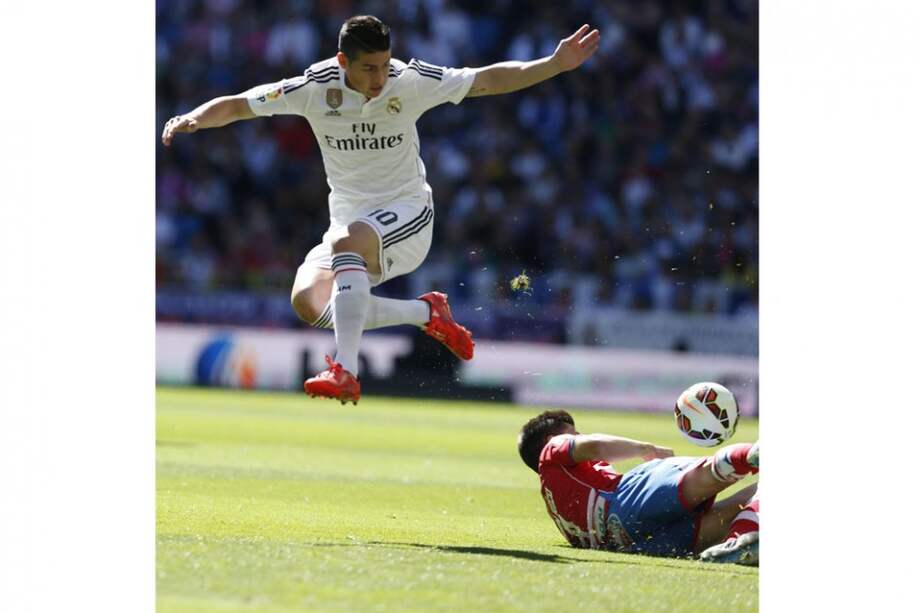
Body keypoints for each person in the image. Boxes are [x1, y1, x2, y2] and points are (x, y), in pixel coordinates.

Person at [161, 15, 601, 404]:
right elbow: (241, 104)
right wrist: (194, 117)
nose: (379, 77)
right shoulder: (315, 89)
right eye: (369, 68)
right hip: (348, 226)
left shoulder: (409, 80)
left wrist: (553, 65)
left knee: (348, 241)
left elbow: (485, 79)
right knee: (308, 301)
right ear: (342, 62)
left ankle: (345, 370)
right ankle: (425, 313)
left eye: (384, 64)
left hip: (408, 214)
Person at [517, 410, 759, 565]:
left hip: (632, 544)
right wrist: (646, 449)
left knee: (727, 514)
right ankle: (753, 453)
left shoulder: (554, 503)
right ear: (550, 440)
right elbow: (595, 446)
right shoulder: (552, 450)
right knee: (706, 475)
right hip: (623, 501)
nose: (579, 435)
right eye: (574, 433)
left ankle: (741, 541)